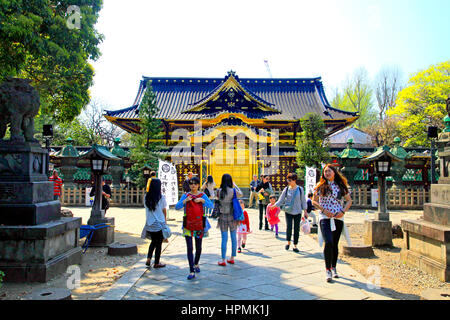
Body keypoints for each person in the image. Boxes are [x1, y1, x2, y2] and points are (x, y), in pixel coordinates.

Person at [312, 164, 353, 283]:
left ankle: (334, 267)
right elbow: (314, 201)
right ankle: (327, 269)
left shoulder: (341, 186)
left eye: (329, 171)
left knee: (335, 244)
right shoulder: (320, 186)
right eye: (325, 171)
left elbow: (349, 200)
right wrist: (324, 210)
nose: (327, 173)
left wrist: (343, 211)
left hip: (338, 217)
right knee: (328, 242)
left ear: (334, 172)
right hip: (325, 216)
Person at [175, 176, 213, 280]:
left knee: (199, 247)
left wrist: (202, 200)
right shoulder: (186, 195)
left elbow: (211, 206)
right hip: (188, 224)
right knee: (189, 248)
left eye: (195, 184)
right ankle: (191, 270)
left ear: (198, 185)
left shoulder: (202, 195)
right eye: (191, 184)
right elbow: (177, 207)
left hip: (199, 224)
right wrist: (184, 201)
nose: (193, 186)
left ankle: (196, 263)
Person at [274, 173, 308, 253]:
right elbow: (281, 199)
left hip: (298, 211)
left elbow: (303, 201)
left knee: (296, 229)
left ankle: (295, 245)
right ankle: (288, 242)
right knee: (289, 227)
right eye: (287, 180)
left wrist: (305, 211)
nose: (288, 182)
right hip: (288, 211)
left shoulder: (300, 189)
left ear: (294, 180)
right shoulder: (286, 189)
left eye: (290, 180)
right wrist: (274, 206)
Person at [216, 174, 243, 266]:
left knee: (224, 238)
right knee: (233, 237)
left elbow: (216, 198)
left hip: (222, 216)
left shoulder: (219, 191)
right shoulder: (233, 191)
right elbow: (241, 193)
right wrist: (235, 185)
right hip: (232, 217)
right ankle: (232, 258)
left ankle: (223, 259)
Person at [140, 178, 167, 269]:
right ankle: (156, 262)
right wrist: (165, 221)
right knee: (158, 243)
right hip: (158, 223)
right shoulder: (161, 197)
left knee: (153, 241)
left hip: (149, 222)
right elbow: (164, 210)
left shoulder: (146, 197)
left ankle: (148, 258)